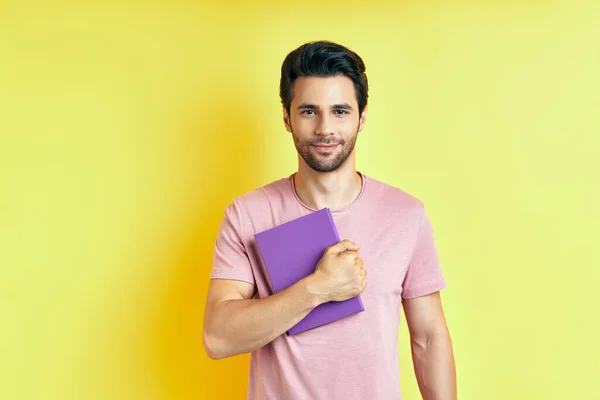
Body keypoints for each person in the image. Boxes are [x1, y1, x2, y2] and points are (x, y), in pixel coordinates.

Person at [202, 40, 457, 400]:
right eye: (309, 111)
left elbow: (428, 338)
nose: (325, 128)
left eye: (340, 111)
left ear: (361, 117)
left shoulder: (405, 215)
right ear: (287, 118)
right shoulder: (248, 213)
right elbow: (217, 337)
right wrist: (317, 288)